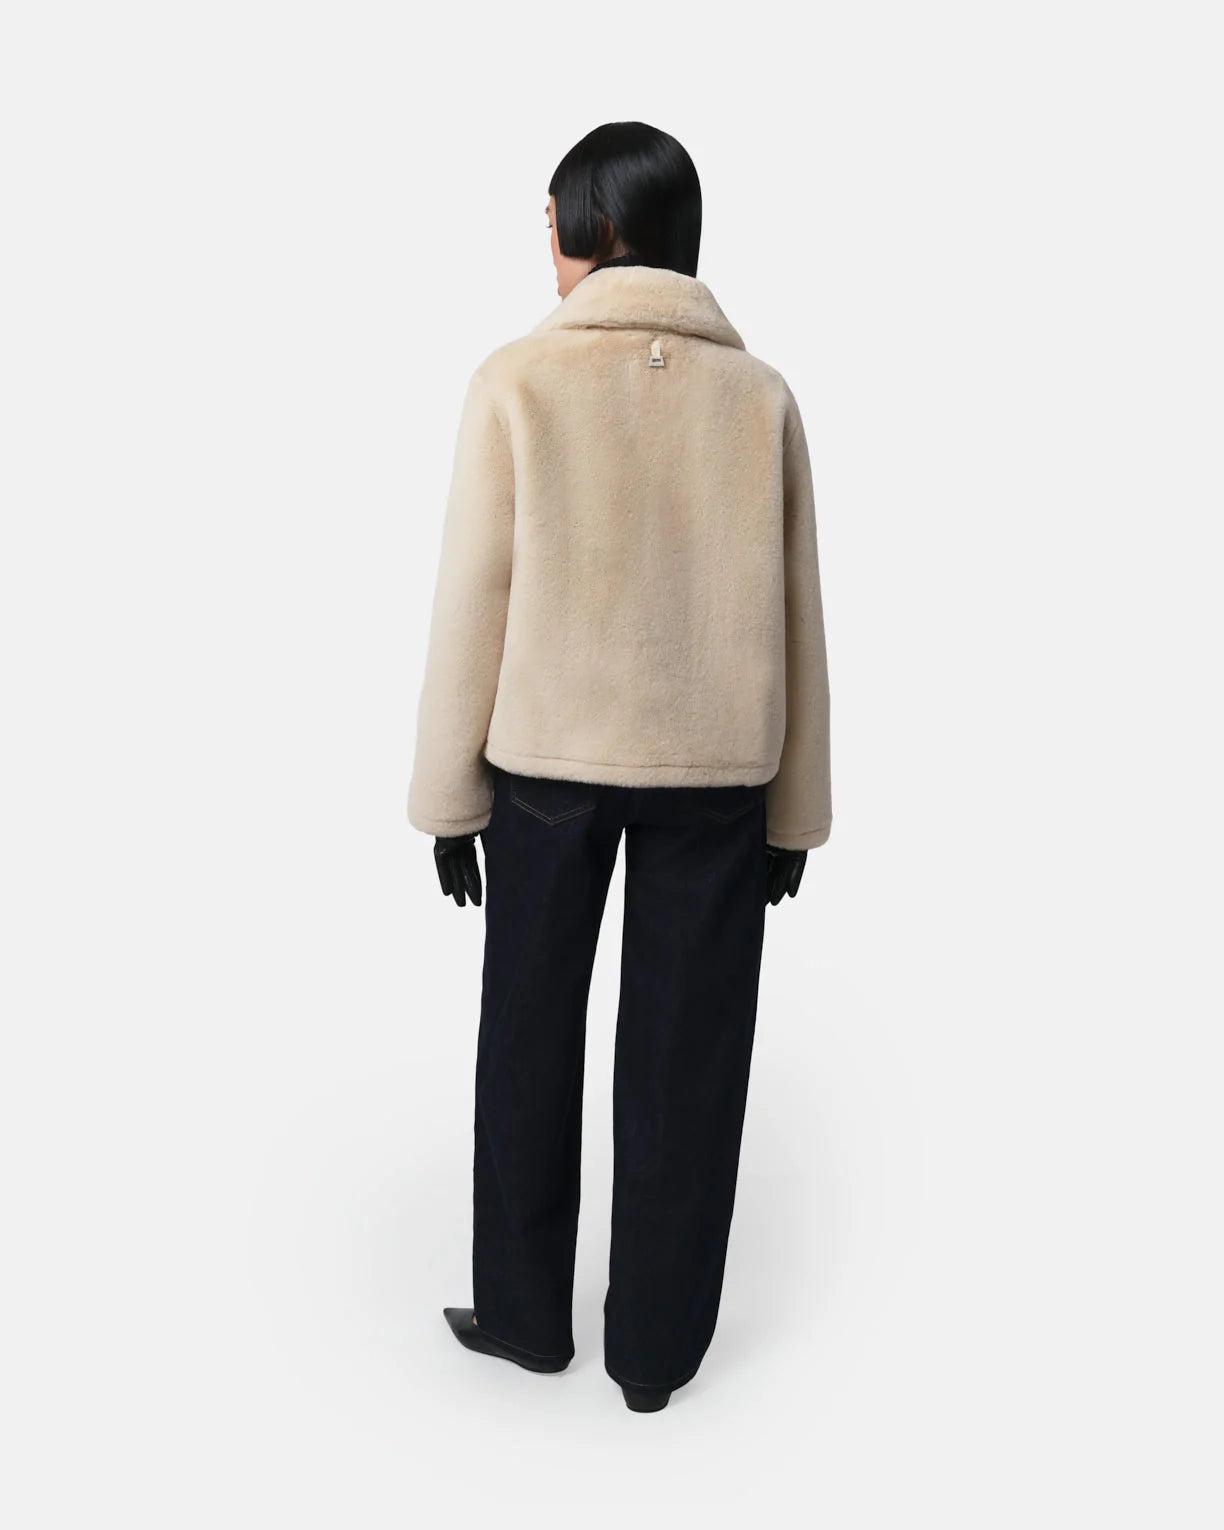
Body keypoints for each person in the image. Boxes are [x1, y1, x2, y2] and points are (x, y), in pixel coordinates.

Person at [407, 121, 831, 1412]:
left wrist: (447, 801)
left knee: (526, 1042)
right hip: (718, 775)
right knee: (687, 1062)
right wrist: (794, 815)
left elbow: (473, 599)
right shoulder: (760, 398)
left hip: (546, 766)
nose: (544, 241)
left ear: (595, 228)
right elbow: (798, 617)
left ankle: (525, 1315)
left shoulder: (517, 384)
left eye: (552, 220)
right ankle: (655, 1351)